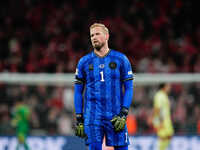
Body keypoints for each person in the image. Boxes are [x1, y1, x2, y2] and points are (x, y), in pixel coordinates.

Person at [74, 23, 134, 150]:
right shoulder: (84, 62)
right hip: (93, 117)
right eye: (91, 35)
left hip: (116, 115)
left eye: (97, 34)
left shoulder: (121, 59)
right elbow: (78, 92)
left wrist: (123, 113)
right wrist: (79, 118)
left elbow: (129, 88)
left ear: (106, 36)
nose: (94, 37)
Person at [152, 83, 174, 150]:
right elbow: (158, 109)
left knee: (168, 136)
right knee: (163, 137)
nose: (169, 88)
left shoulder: (164, 95)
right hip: (162, 121)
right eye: (168, 86)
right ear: (164, 86)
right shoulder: (159, 95)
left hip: (166, 121)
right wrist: (159, 121)